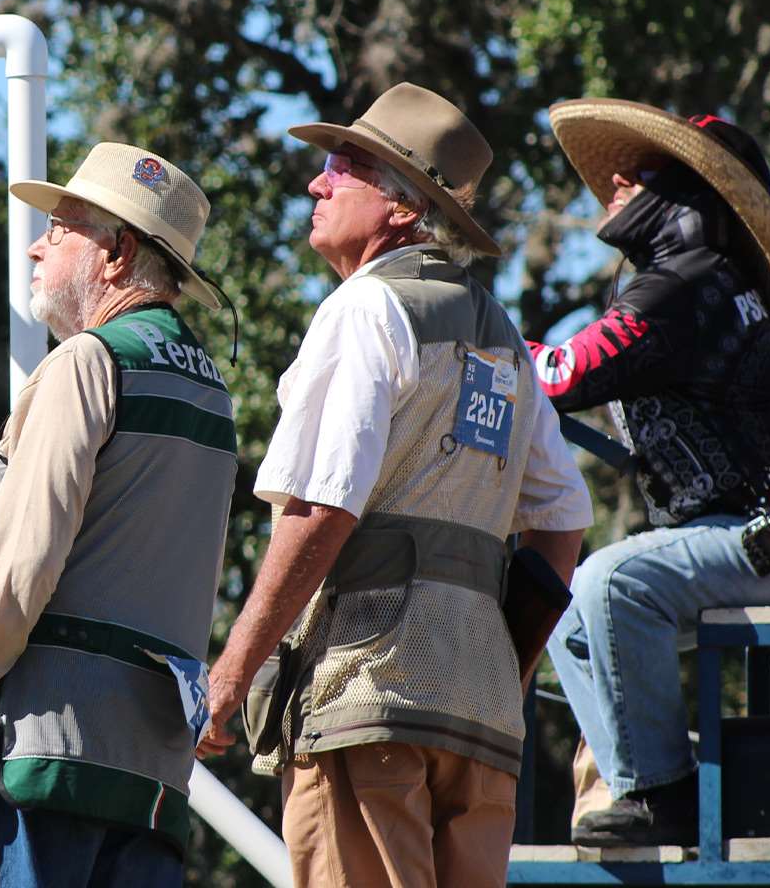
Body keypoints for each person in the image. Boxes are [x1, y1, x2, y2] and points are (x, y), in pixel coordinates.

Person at [198, 83, 593, 888]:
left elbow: (321, 507)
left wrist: (232, 672)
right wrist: (502, 665)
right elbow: (564, 521)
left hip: (368, 696)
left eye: (345, 168)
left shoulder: (365, 311)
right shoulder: (506, 344)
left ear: (402, 210)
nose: (318, 183)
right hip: (477, 718)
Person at [528, 100, 770, 846]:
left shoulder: (684, 287)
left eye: (642, 171)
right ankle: (644, 785)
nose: (617, 181)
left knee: (608, 582)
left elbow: (559, 375)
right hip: (748, 536)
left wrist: (478, 341)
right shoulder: (700, 280)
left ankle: (662, 796)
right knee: (567, 617)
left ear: (692, 194)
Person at [0, 142, 238, 887]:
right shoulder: (212, 393)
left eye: (61, 228)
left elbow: (22, 558)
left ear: (118, 253)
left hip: (45, 752)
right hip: (151, 777)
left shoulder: (87, 362)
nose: (37, 243)